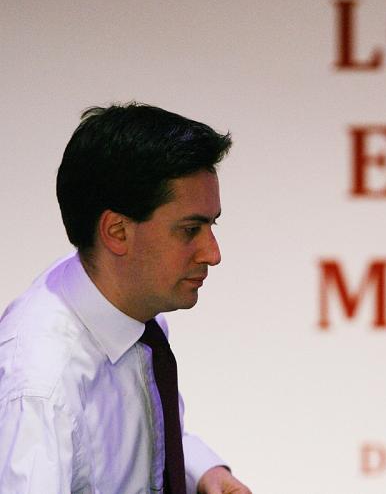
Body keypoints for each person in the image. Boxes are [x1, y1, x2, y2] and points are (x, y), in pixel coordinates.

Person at [0, 103, 252, 494]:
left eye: (211, 225)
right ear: (117, 231)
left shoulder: (124, 299)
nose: (212, 253)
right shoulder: (41, 386)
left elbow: (126, 438)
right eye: (190, 230)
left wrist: (202, 471)